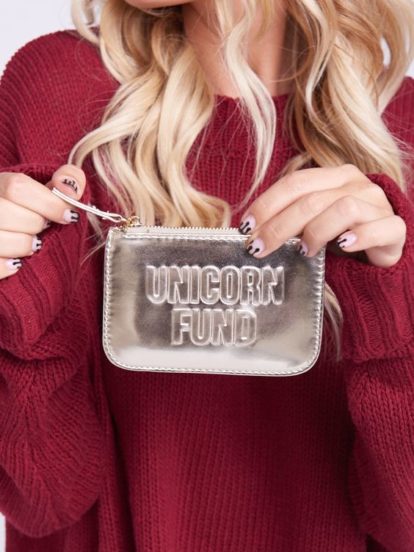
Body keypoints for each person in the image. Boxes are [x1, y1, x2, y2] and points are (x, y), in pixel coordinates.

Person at [0, 0, 413, 550]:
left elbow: (404, 523)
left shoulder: (398, 127)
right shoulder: (53, 87)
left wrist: (390, 313)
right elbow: (42, 499)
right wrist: (18, 305)